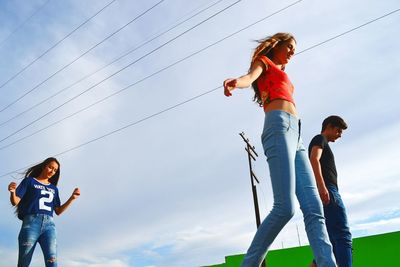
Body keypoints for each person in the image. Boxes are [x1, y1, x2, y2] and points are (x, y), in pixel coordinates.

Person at [223, 32, 336, 267]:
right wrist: (236, 82)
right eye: (290, 46)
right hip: (278, 126)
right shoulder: (264, 63)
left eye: (295, 48)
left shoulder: (284, 75)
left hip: (297, 135)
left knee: (314, 208)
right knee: (285, 207)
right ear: (277, 45)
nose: (293, 51)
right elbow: (249, 77)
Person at [8, 157, 80, 267]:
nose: (52, 171)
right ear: (44, 166)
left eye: (55, 170)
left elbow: (58, 211)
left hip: (49, 226)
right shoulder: (29, 181)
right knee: (24, 262)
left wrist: (72, 198)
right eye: (50, 167)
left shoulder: (54, 189)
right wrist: (12, 192)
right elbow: (15, 201)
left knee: (52, 262)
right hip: (31, 224)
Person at [308, 116, 352, 267]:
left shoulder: (323, 142)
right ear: (329, 126)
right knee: (342, 235)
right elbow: (314, 158)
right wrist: (322, 186)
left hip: (327, 190)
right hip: (329, 190)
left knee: (331, 241)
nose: (340, 135)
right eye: (338, 130)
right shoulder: (320, 139)